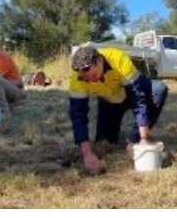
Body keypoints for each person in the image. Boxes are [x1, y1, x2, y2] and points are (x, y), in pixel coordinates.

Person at [68, 44, 169, 175]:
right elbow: (78, 114)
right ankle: (118, 138)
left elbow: (138, 99)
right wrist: (87, 152)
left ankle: (135, 139)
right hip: (109, 101)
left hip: (132, 92)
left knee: (159, 89)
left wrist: (144, 137)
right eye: (86, 79)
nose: (90, 81)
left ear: (99, 61)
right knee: (105, 143)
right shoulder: (77, 78)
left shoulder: (119, 59)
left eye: (93, 75)